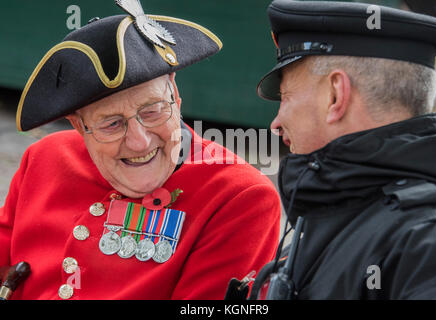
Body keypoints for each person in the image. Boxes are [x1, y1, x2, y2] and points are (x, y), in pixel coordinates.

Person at [0, 1, 280, 300]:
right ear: (79, 126)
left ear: (175, 94)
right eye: (111, 124)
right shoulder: (45, 157)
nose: (140, 142)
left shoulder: (239, 196)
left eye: (152, 111)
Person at [253, 0, 436, 299]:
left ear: (335, 95)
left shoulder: (428, 245)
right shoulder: (348, 209)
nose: (276, 123)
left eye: (285, 97)